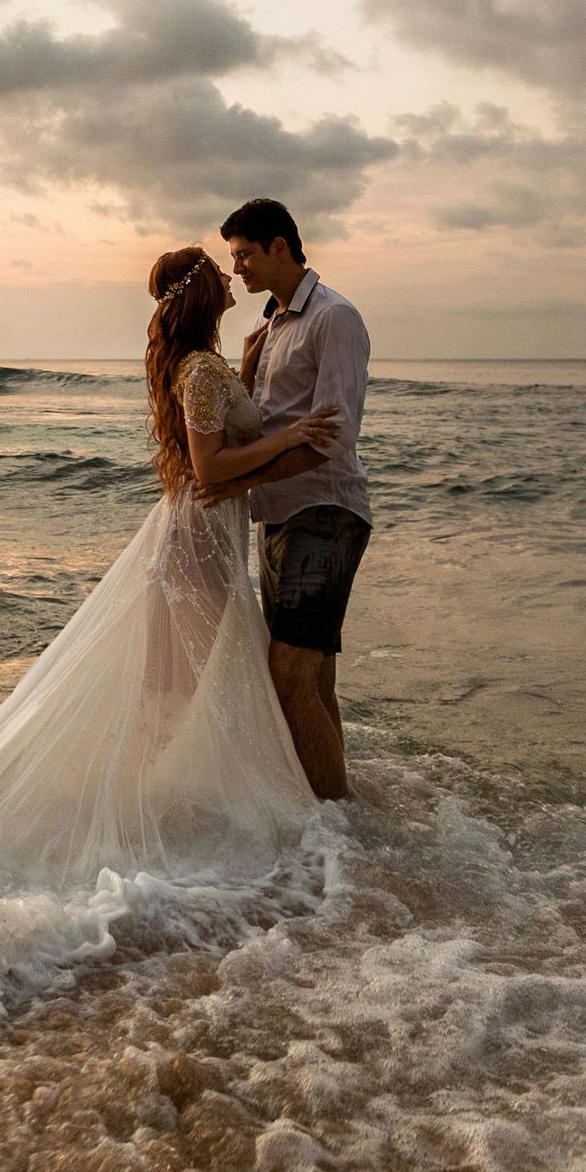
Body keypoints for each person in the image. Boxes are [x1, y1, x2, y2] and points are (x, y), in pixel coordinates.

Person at [0, 245, 341, 883]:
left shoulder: (199, 366)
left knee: (188, 677)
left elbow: (210, 437)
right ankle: (189, 808)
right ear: (206, 294)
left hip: (197, 531)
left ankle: (164, 795)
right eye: (219, 271)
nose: (231, 279)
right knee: (211, 673)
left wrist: (245, 369)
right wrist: (286, 437)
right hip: (201, 535)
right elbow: (210, 468)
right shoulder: (200, 370)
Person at [200, 199, 371, 801]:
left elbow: (334, 438)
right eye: (233, 258)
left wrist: (233, 482)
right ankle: (340, 815)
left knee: (288, 677)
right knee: (314, 680)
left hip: (324, 511)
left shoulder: (334, 318)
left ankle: (332, 826)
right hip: (277, 516)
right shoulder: (270, 325)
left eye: (244, 254)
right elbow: (263, 426)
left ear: (280, 247)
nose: (238, 268)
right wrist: (243, 379)